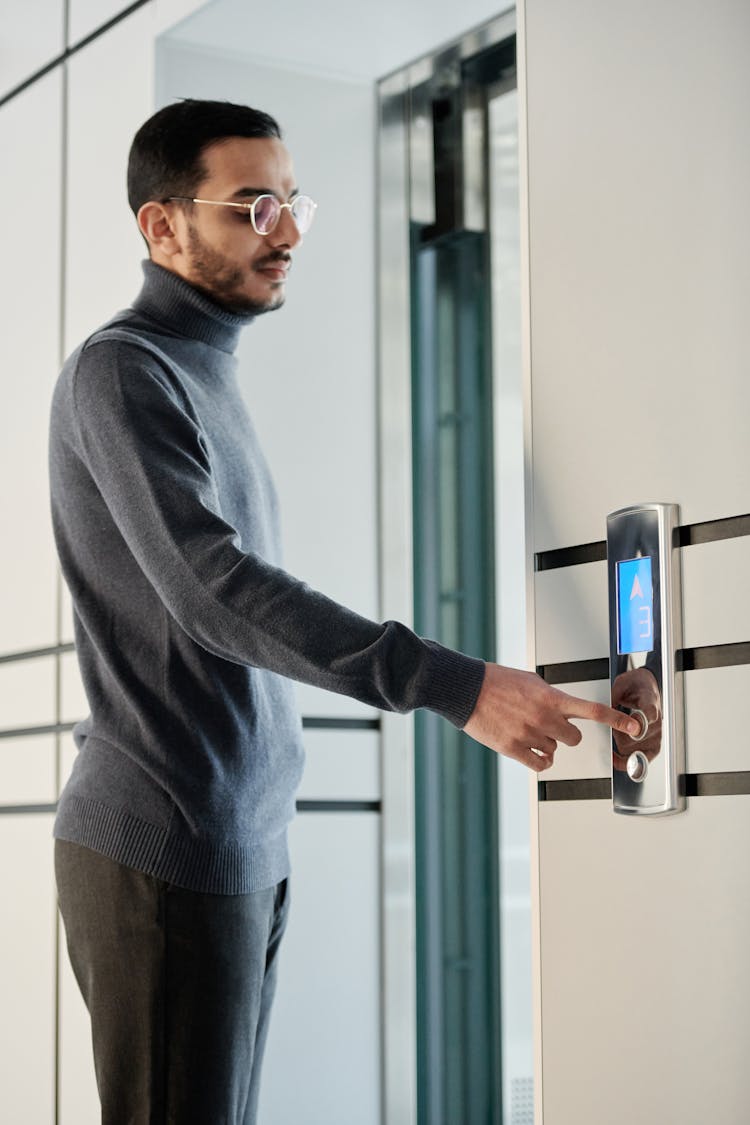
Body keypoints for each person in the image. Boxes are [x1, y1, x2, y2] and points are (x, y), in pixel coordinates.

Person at [49, 98, 639, 1125]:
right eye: (254, 205)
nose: (284, 231)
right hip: (162, 840)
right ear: (161, 225)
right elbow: (210, 590)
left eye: (293, 203)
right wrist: (453, 686)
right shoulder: (124, 369)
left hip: (238, 839)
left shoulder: (203, 369)